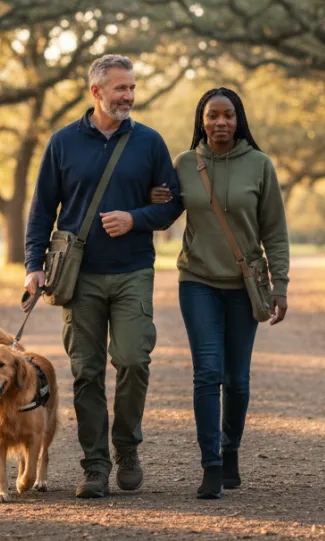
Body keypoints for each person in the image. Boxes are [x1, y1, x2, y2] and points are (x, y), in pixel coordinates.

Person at [24, 54, 180, 499]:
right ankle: (95, 465)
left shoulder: (149, 142)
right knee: (87, 372)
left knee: (133, 360)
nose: (129, 96)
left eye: (132, 88)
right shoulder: (62, 143)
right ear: (96, 92)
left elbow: (172, 205)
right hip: (80, 277)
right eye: (120, 89)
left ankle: (127, 449)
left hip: (132, 270)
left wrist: (135, 218)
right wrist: (34, 266)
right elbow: (41, 212)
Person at [150, 87, 289, 499]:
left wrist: (279, 285)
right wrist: (153, 199)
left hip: (244, 287)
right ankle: (210, 463)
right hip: (197, 281)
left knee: (237, 379)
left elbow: (275, 232)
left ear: (238, 118)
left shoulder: (260, 165)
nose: (220, 122)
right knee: (208, 373)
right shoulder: (185, 164)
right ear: (202, 120)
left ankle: (231, 451)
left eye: (228, 115)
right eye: (212, 115)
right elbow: (166, 213)